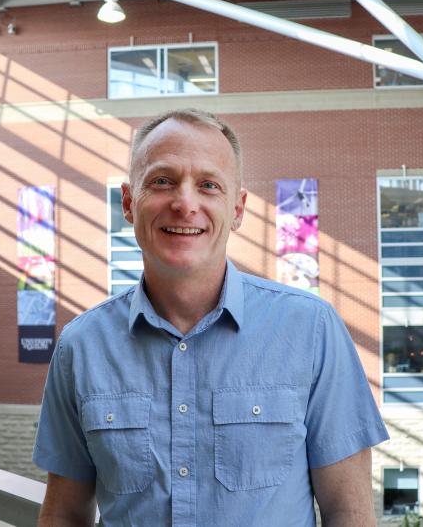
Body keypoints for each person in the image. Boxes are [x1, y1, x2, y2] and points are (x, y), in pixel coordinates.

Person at [33, 108, 389, 526]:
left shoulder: (312, 330)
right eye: (162, 181)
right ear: (129, 203)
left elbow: (349, 513)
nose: (185, 204)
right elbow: (64, 514)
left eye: (208, 185)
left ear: (237, 210)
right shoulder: (81, 347)